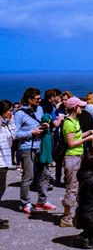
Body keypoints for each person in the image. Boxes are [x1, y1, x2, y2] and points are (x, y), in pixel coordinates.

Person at [13, 87, 56, 215]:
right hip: (27, 148)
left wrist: (46, 124)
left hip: (41, 146)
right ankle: (25, 202)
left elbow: (43, 119)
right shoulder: (19, 114)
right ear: (29, 99)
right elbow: (15, 134)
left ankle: (42, 201)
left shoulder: (40, 109)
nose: (39, 101)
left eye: (39, 98)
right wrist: (31, 132)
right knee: (28, 177)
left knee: (44, 174)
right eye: (37, 99)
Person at [60, 96, 93, 227]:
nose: (82, 108)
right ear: (74, 108)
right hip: (71, 157)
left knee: (79, 186)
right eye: (80, 106)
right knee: (72, 187)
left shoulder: (75, 120)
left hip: (79, 155)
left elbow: (77, 135)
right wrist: (87, 138)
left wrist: (89, 132)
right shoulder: (68, 123)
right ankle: (66, 217)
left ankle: (74, 214)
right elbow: (71, 143)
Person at [0, 99, 16, 229]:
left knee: (2, 188)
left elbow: (13, 136)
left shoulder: (4, 123)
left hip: (4, 161)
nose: (11, 113)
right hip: (0, 162)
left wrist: (10, 122)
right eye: (10, 111)